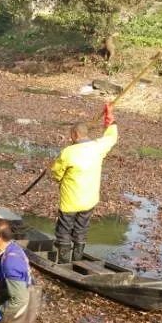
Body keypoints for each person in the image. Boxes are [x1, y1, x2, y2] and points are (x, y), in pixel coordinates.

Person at [50, 100, 118, 263]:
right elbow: (112, 136)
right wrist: (109, 115)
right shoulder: (98, 146)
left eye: (70, 135)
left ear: (74, 135)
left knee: (64, 230)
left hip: (70, 201)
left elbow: (55, 172)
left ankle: (65, 264)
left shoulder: (68, 152)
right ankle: (77, 261)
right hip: (89, 199)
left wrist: (58, 179)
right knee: (81, 229)